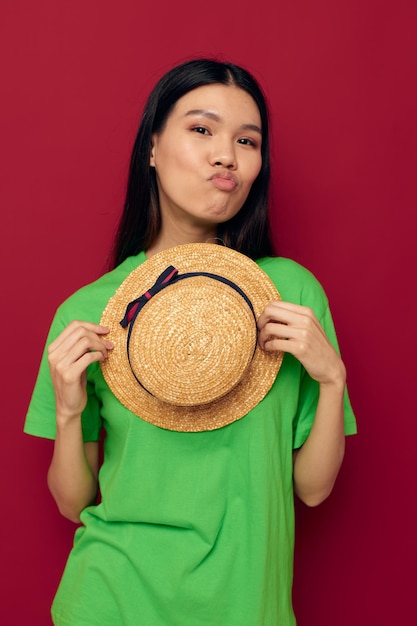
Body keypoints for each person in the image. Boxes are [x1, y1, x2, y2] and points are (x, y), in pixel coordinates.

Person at [25, 58, 357, 625]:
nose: (225, 154)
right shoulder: (88, 313)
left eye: (246, 140)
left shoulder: (290, 296)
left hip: (246, 606)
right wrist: (68, 410)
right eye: (201, 129)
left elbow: (313, 490)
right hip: (111, 600)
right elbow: (72, 502)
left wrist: (332, 379)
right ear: (152, 148)